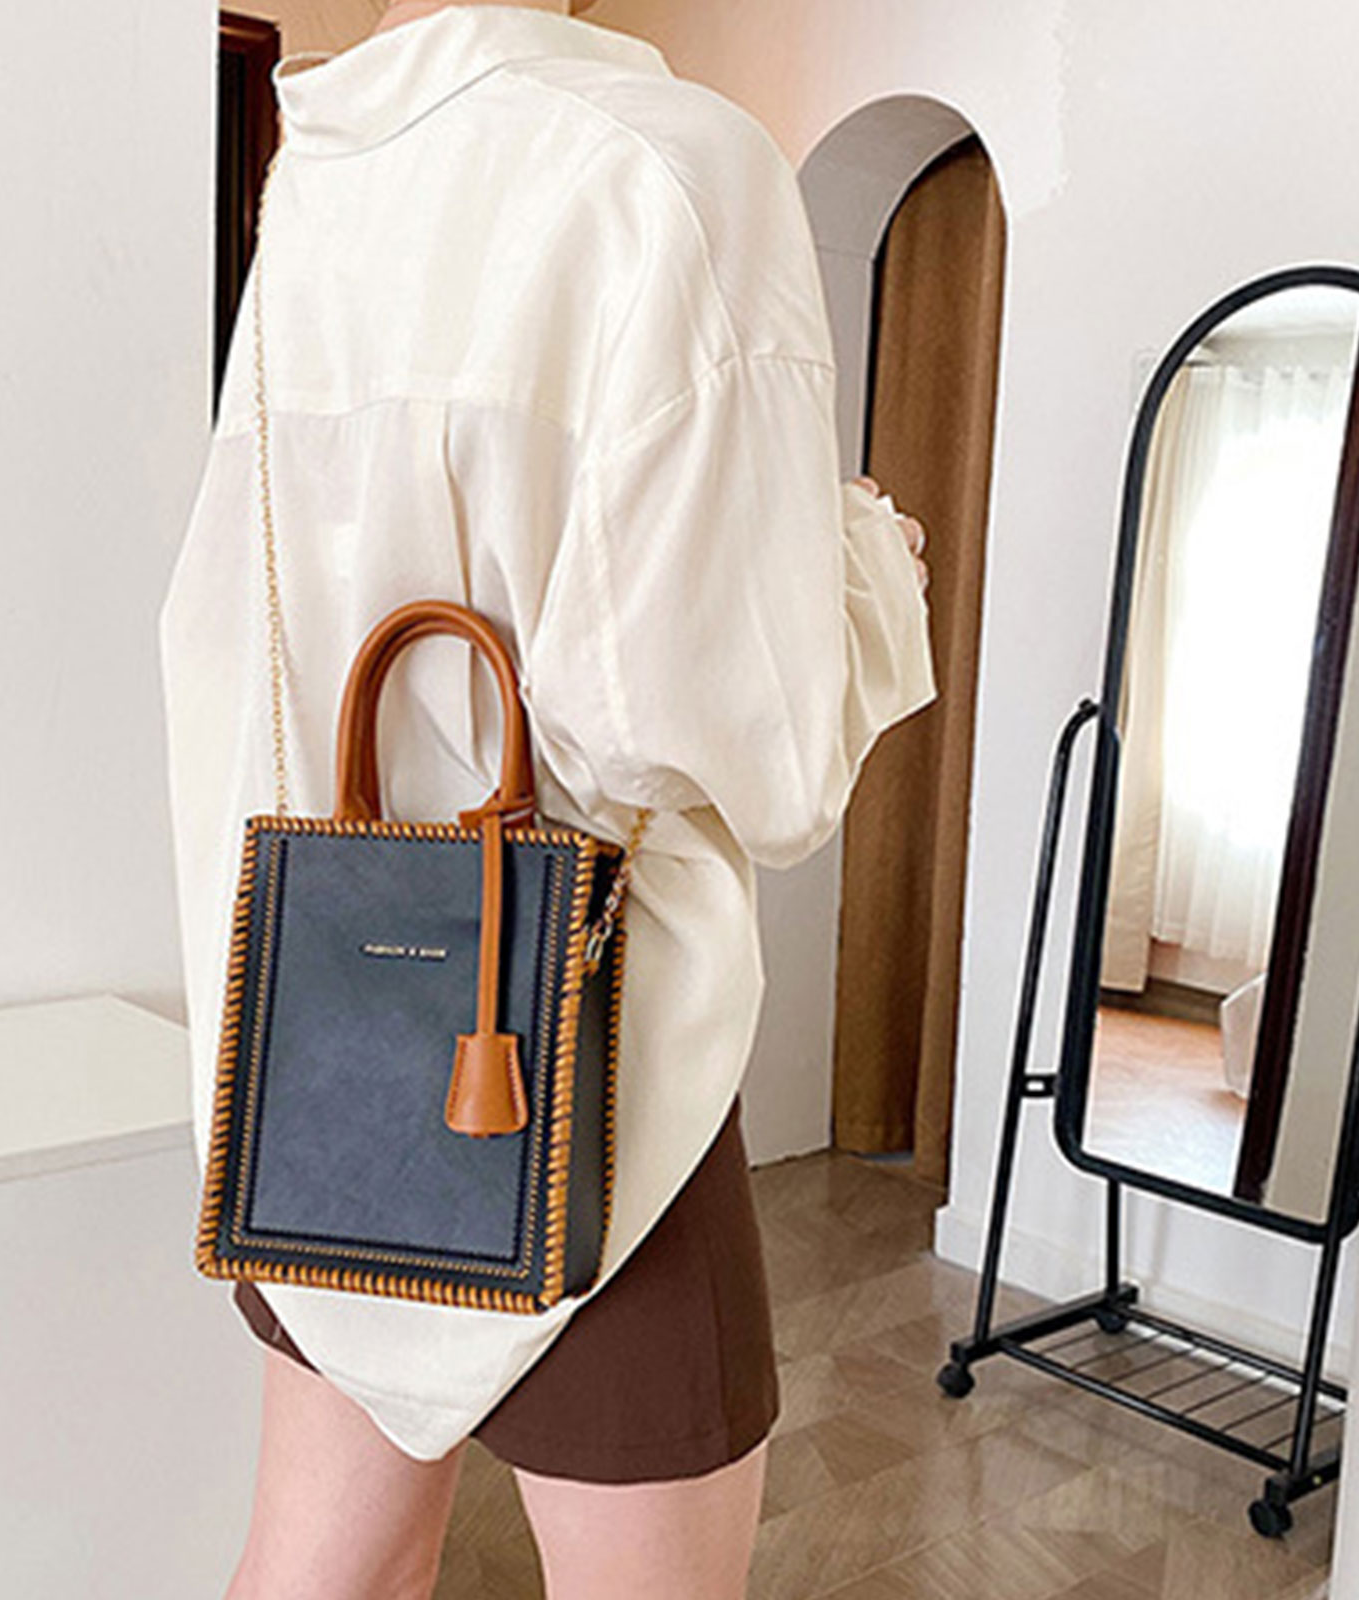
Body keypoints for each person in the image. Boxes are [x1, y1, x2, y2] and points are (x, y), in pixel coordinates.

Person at [157, 2, 935, 1595]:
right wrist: (868, 570)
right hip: (591, 1076)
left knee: (317, 1575)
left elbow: (228, 631)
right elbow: (744, 744)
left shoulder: (325, 174)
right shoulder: (676, 170)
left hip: (332, 1072)